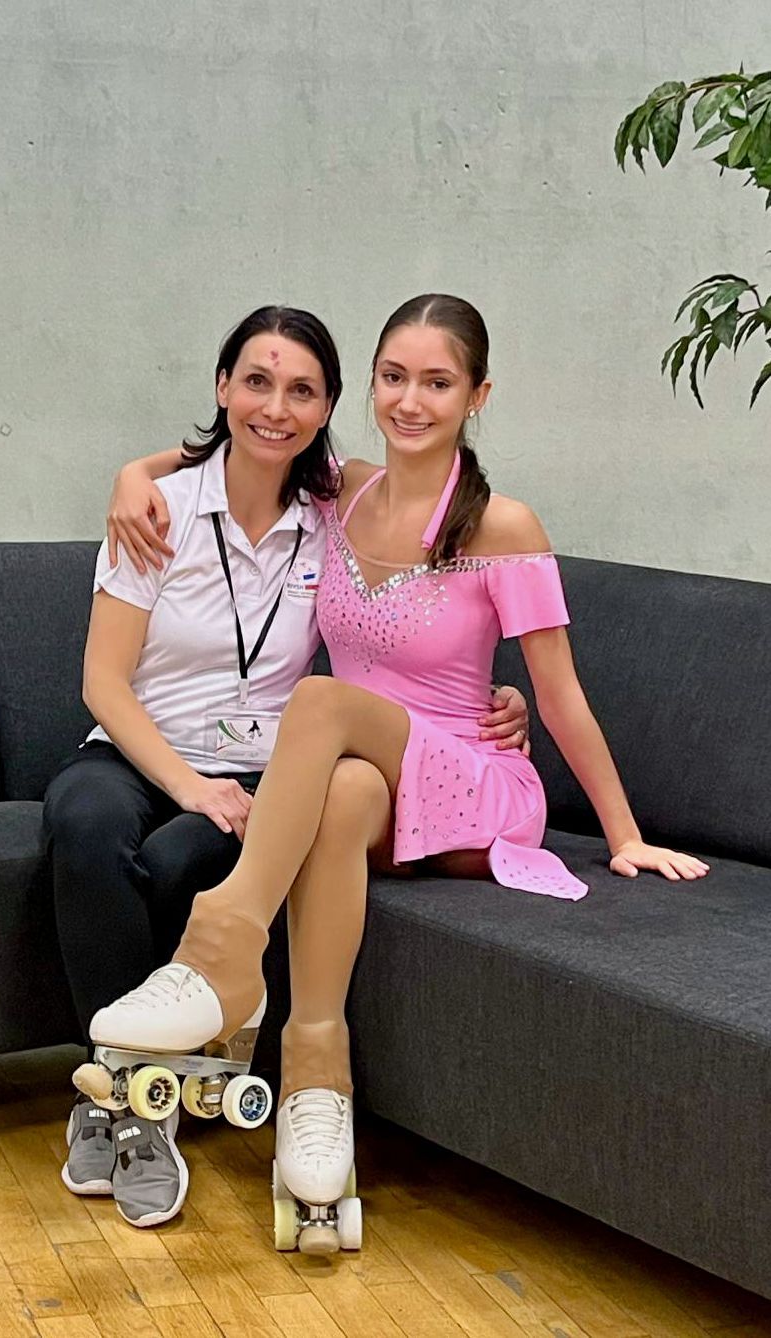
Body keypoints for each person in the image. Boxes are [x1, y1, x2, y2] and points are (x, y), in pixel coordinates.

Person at [91, 293, 710, 1246]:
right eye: (392, 377)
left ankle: (221, 949)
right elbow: (240, 440)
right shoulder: (341, 492)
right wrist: (133, 472)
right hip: (371, 777)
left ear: (477, 395)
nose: (410, 401)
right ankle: (316, 1081)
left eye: (437, 382)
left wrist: (623, 835)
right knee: (340, 785)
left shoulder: (504, 526)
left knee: (319, 703)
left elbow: (559, 696)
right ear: (370, 386)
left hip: (475, 781)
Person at [43, 302, 529, 1228]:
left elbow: (412, 625)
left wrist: (494, 705)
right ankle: (121, 1098)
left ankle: (162, 1094)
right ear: (222, 387)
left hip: (268, 773)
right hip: (143, 752)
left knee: (186, 859)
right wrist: (132, 470)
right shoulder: (158, 510)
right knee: (85, 823)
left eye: (302, 390)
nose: (276, 407)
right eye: (257, 382)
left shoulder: (335, 515)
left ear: (328, 408)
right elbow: (103, 683)